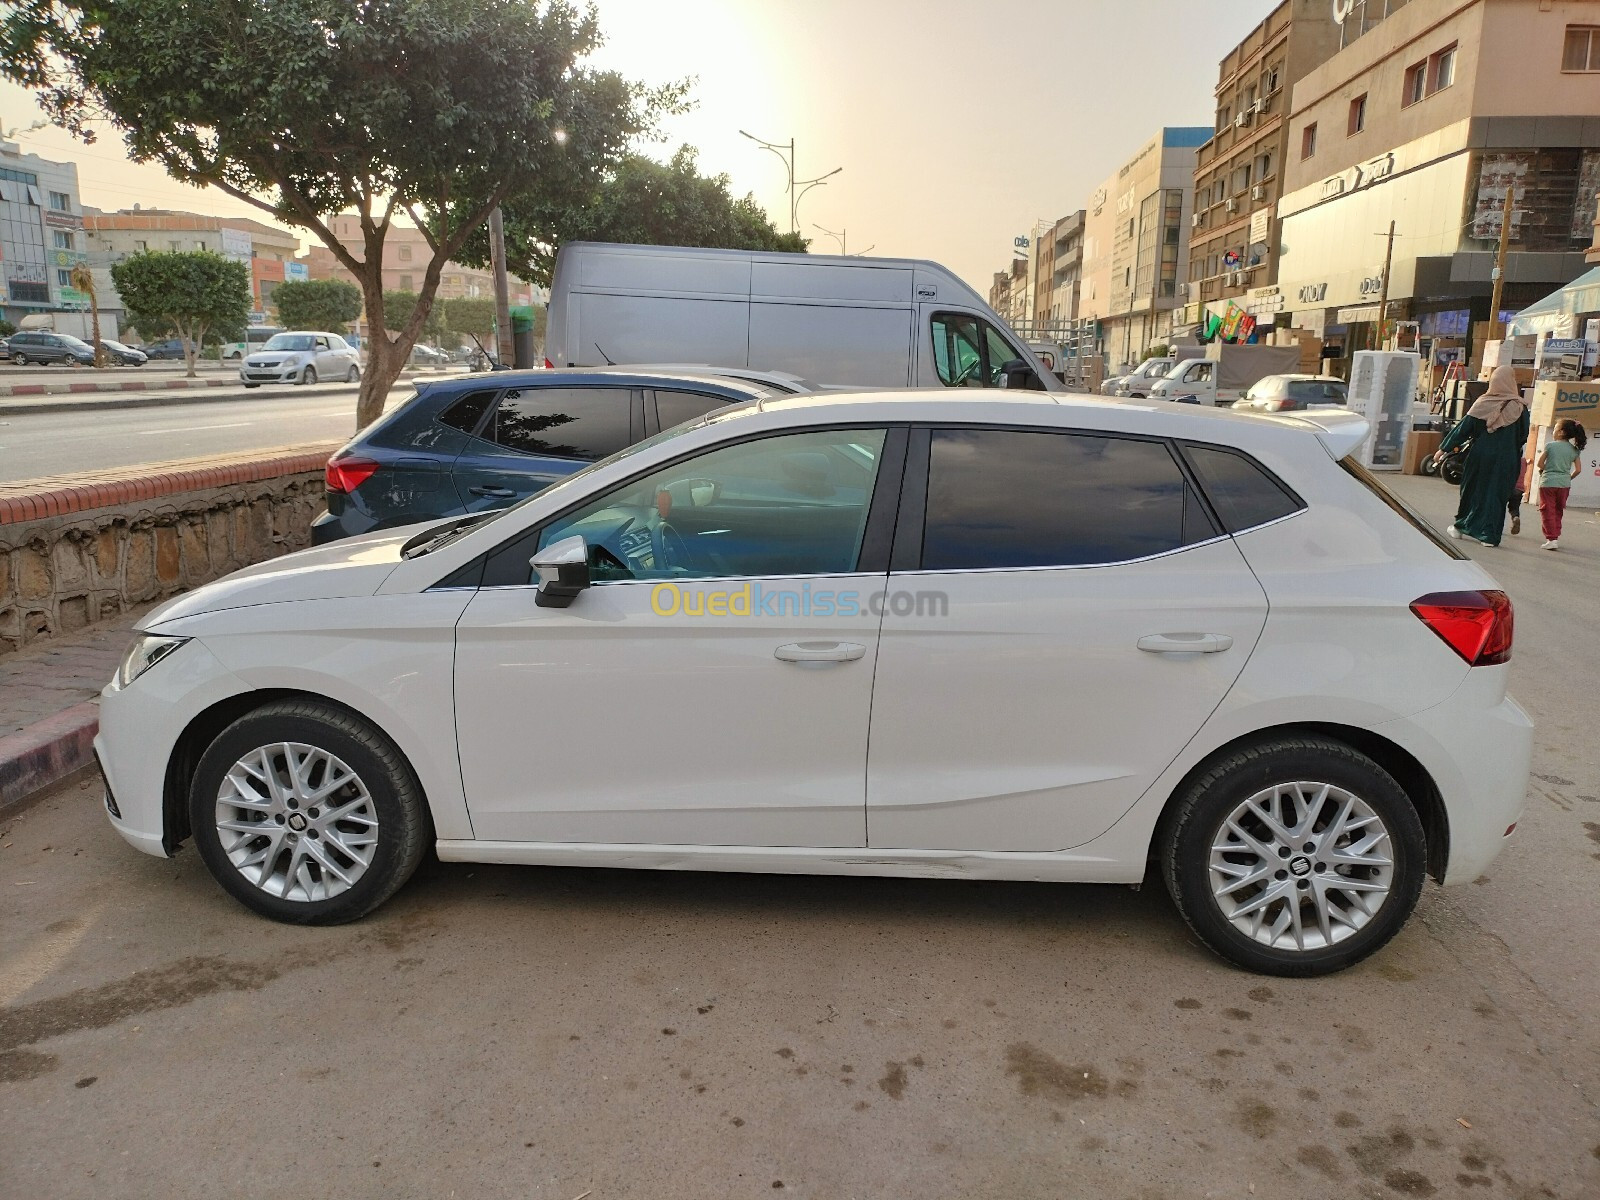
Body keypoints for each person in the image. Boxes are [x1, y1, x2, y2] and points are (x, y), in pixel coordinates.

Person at [1434, 366, 1531, 547]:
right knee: (1497, 494)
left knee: (1472, 490)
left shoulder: (1483, 403)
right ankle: (1489, 535)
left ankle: (1462, 527)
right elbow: (1524, 435)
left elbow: (1463, 430)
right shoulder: (1520, 407)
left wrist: (1443, 449)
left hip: (1480, 456)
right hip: (1507, 458)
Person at [1534, 418, 1586, 550]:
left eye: (1555, 428)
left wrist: (1548, 469)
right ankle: (1555, 535)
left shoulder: (1550, 446)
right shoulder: (1574, 450)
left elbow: (1540, 464)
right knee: (1558, 510)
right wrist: (1568, 478)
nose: (1554, 431)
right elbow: (1578, 470)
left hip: (1548, 482)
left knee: (1547, 510)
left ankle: (1551, 538)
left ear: (1561, 432)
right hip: (1564, 484)